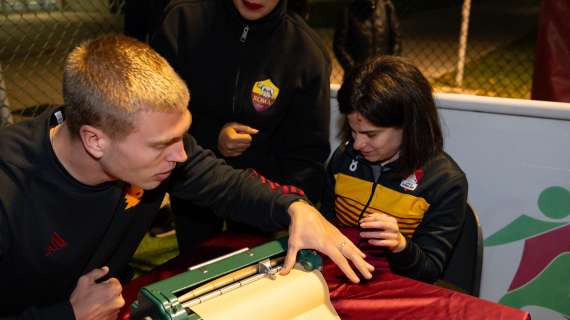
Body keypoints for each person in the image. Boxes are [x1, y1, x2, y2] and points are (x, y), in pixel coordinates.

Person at [0, 34, 373, 319]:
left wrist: (295, 208)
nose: (180, 156)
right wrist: (68, 315)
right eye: (163, 144)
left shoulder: (151, 147)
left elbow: (225, 184)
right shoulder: (8, 192)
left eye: (182, 136)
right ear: (95, 140)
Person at [151, 0, 332, 251]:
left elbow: (307, 151)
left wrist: (294, 206)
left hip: (262, 197)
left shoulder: (306, 52)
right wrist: (211, 134)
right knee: (193, 264)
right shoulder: (182, 21)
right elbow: (153, 113)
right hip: (191, 180)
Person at [321, 56, 468, 283]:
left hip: (396, 286)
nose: (358, 144)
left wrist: (401, 245)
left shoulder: (444, 181)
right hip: (339, 276)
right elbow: (326, 227)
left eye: (371, 134)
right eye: (352, 131)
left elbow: (429, 271)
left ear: (409, 126)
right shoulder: (343, 158)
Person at [333, 0, 401, 74]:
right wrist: (354, 69)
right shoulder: (348, 9)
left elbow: (396, 41)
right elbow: (339, 45)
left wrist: (389, 66)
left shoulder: (387, 7)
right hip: (357, 76)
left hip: (383, 73)